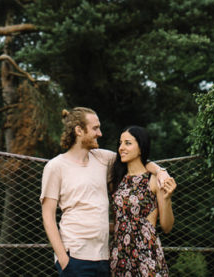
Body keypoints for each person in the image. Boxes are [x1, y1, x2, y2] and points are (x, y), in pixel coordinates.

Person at [41, 107, 171, 277]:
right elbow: (48, 216)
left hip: (105, 258)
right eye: (95, 128)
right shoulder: (55, 166)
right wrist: (64, 259)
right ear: (79, 131)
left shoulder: (102, 158)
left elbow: (137, 160)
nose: (100, 133)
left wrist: (160, 171)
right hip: (75, 258)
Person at [109, 126, 176, 277]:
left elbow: (166, 227)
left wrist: (167, 199)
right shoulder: (117, 180)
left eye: (127, 143)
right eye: (120, 143)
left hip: (146, 254)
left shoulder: (153, 180)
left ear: (141, 148)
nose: (121, 148)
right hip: (119, 254)